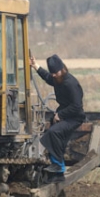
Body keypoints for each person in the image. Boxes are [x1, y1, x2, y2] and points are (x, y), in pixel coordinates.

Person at [30, 54, 86, 183]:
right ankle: (55, 168)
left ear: (62, 69)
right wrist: (35, 66)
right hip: (65, 115)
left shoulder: (71, 83)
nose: (54, 75)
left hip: (75, 118)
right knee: (51, 133)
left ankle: (59, 168)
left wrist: (60, 115)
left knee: (54, 132)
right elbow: (48, 77)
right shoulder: (58, 79)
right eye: (53, 73)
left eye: (56, 73)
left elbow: (77, 106)